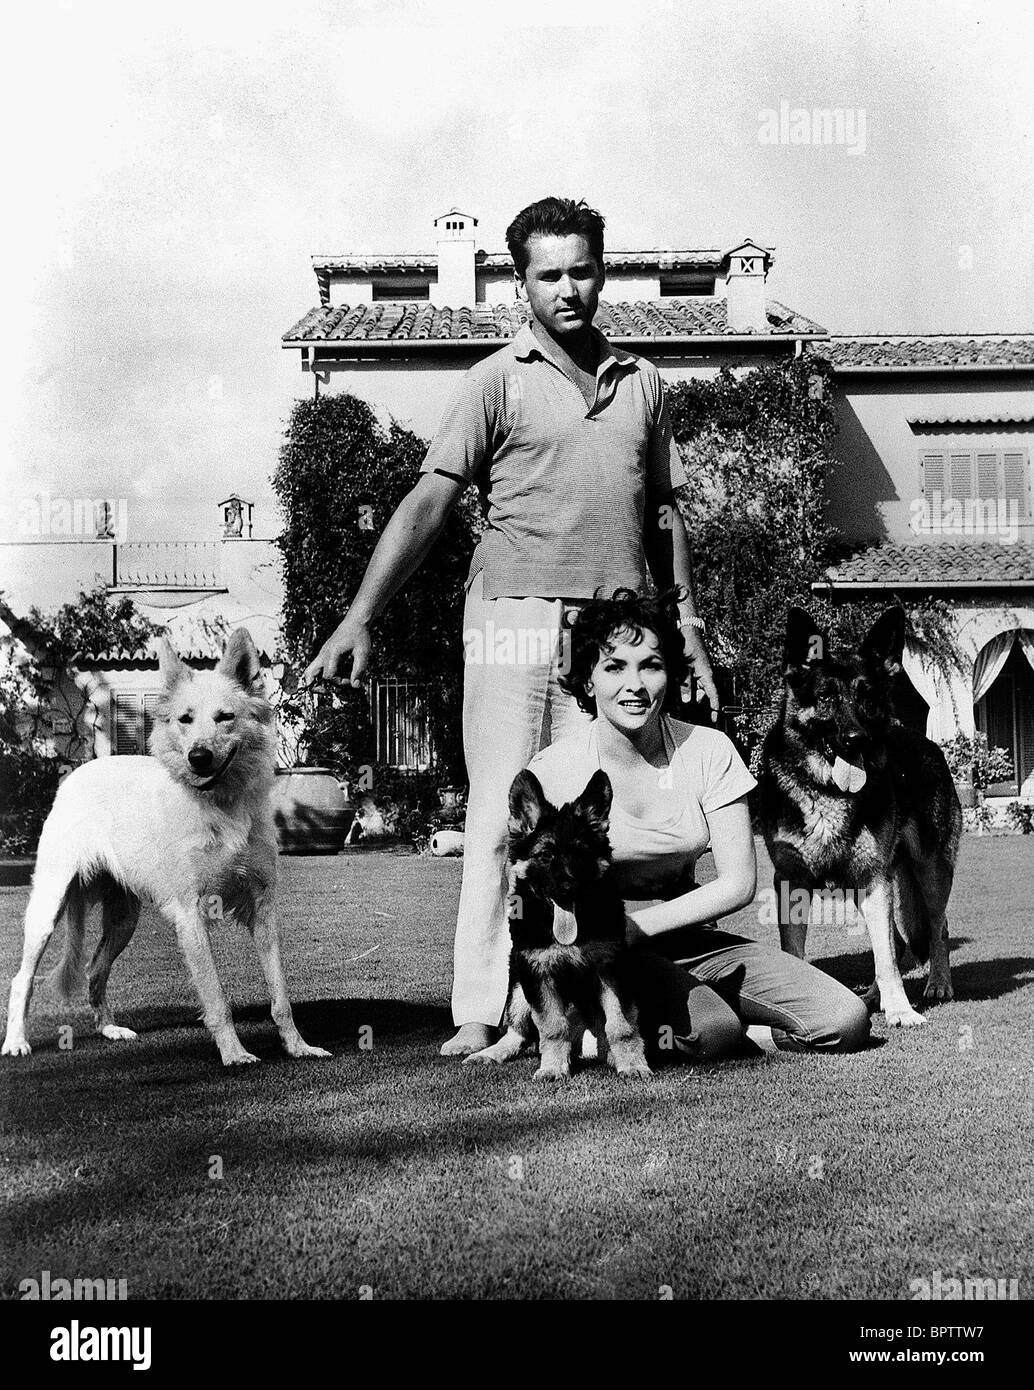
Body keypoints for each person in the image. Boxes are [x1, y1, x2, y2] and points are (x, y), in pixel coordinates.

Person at [304, 196, 719, 1055]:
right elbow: (428, 503)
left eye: (582, 269)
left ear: (603, 269)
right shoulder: (494, 380)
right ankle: (480, 1011)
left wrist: (692, 633)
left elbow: (668, 515)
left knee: (608, 820)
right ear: (521, 282)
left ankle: (616, 1002)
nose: (569, 289)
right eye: (549, 273)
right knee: (505, 815)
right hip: (513, 623)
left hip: (616, 633)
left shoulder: (643, 383)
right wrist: (359, 617)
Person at [522, 588, 871, 1058]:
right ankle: (598, 1026)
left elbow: (738, 883)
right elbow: (528, 888)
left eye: (651, 665)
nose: (635, 684)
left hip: (691, 935)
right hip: (602, 953)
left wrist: (643, 925)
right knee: (712, 1031)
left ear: (672, 674)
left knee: (844, 1019)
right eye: (614, 667)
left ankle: (745, 1026)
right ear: (587, 680)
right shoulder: (555, 769)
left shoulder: (709, 750)